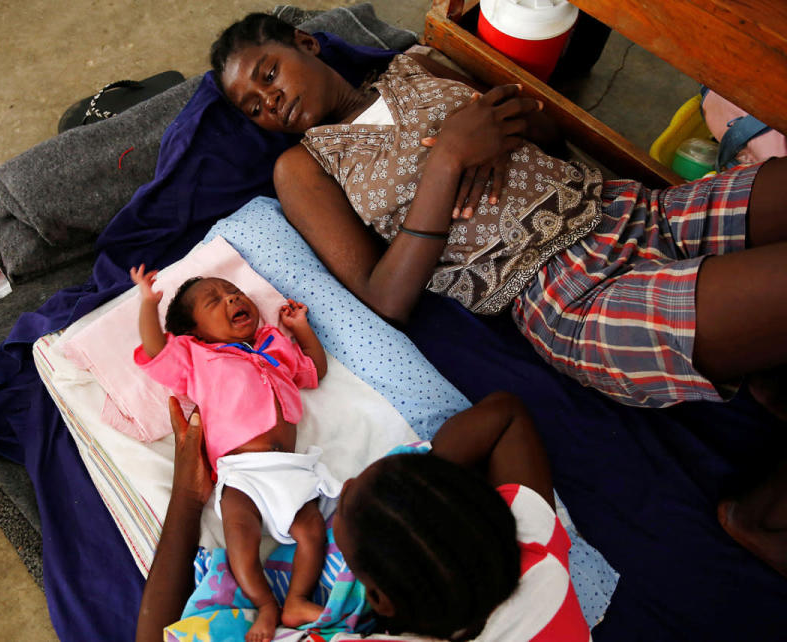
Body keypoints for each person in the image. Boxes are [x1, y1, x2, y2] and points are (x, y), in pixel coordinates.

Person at [209, 13, 787, 575]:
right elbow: (384, 301)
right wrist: (448, 160)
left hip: (629, 209)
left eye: (268, 74)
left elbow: (550, 138)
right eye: (253, 107)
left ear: (305, 43)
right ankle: (765, 512)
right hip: (570, 294)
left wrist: (503, 125)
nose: (270, 102)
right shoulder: (305, 166)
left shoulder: (420, 63)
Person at [136, 392, 590, 641]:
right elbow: (505, 415)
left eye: (346, 504)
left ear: (379, 602)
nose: (345, 485)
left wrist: (187, 495)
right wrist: (415, 493)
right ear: (500, 515)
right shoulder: (541, 557)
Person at [129, 265, 338, 641]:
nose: (232, 298)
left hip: (289, 466)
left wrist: (301, 328)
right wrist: (147, 303)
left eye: (234, 292)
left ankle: (296, 600)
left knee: (311, 531)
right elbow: (154, 348)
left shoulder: (273, 343)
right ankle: (265, 605)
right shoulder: (195, 357)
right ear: (194, 332)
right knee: (242, 541)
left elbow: (314, 369)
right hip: (240, 470)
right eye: (215, 300)